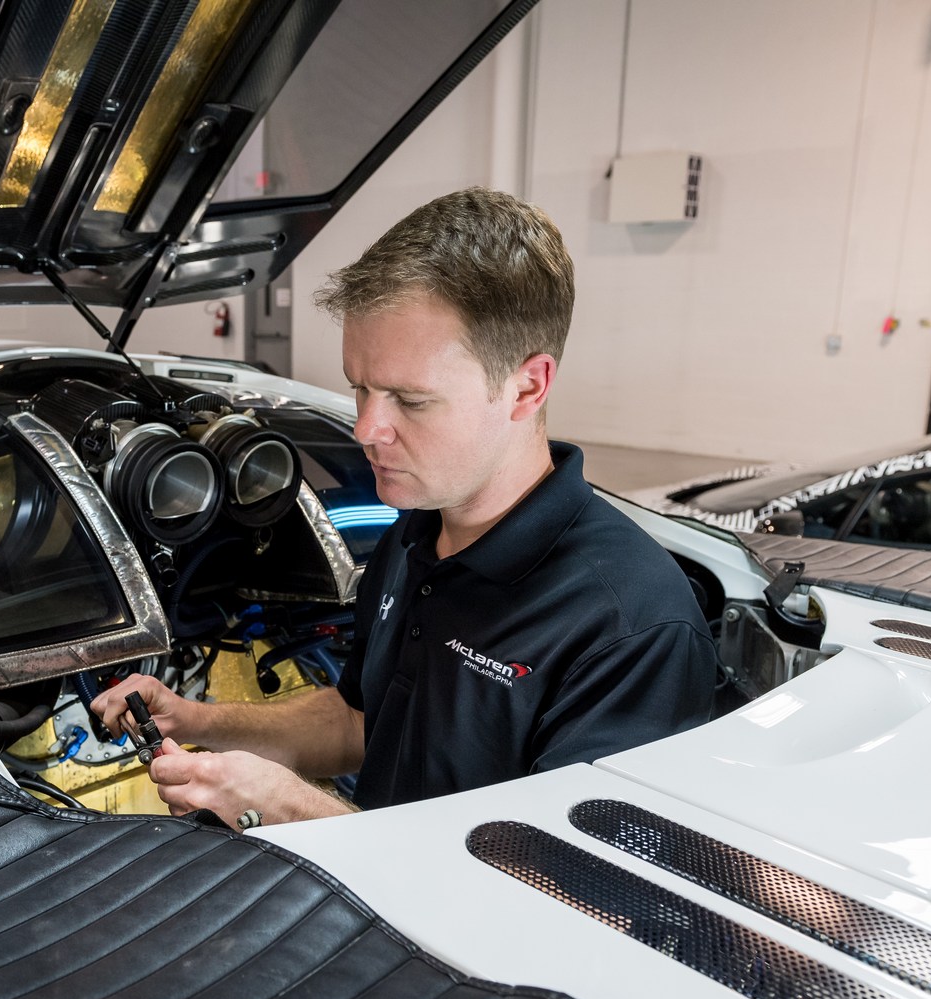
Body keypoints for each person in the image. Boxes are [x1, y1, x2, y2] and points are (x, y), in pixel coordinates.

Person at [92, 187, 716, 827]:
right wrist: (197, 720)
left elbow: (555, 878)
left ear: (527, 387)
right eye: (359, 389)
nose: (365, 428)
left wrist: (291, 808)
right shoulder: (416, 535)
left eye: (410, 400)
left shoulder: (630, 625)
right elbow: (360, 722)